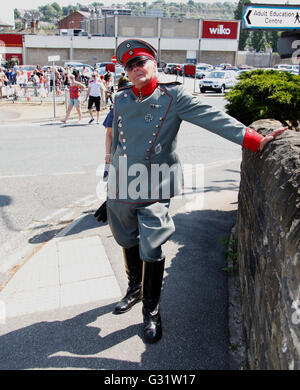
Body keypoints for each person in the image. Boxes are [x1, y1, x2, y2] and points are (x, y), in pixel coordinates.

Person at [94, 39, 288, 344]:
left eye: (141, 62)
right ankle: (134, 288)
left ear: (154, 64)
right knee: (125, 237)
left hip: (156, 184)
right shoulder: (120, 100)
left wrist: (256, 140)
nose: (136, 69)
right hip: (122, 185)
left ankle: (151, 310)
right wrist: (109, 185)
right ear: (125, 72)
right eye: (129, 65)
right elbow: (117, 144)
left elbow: (215, 120)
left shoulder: (174, 96)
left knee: (152, 246)